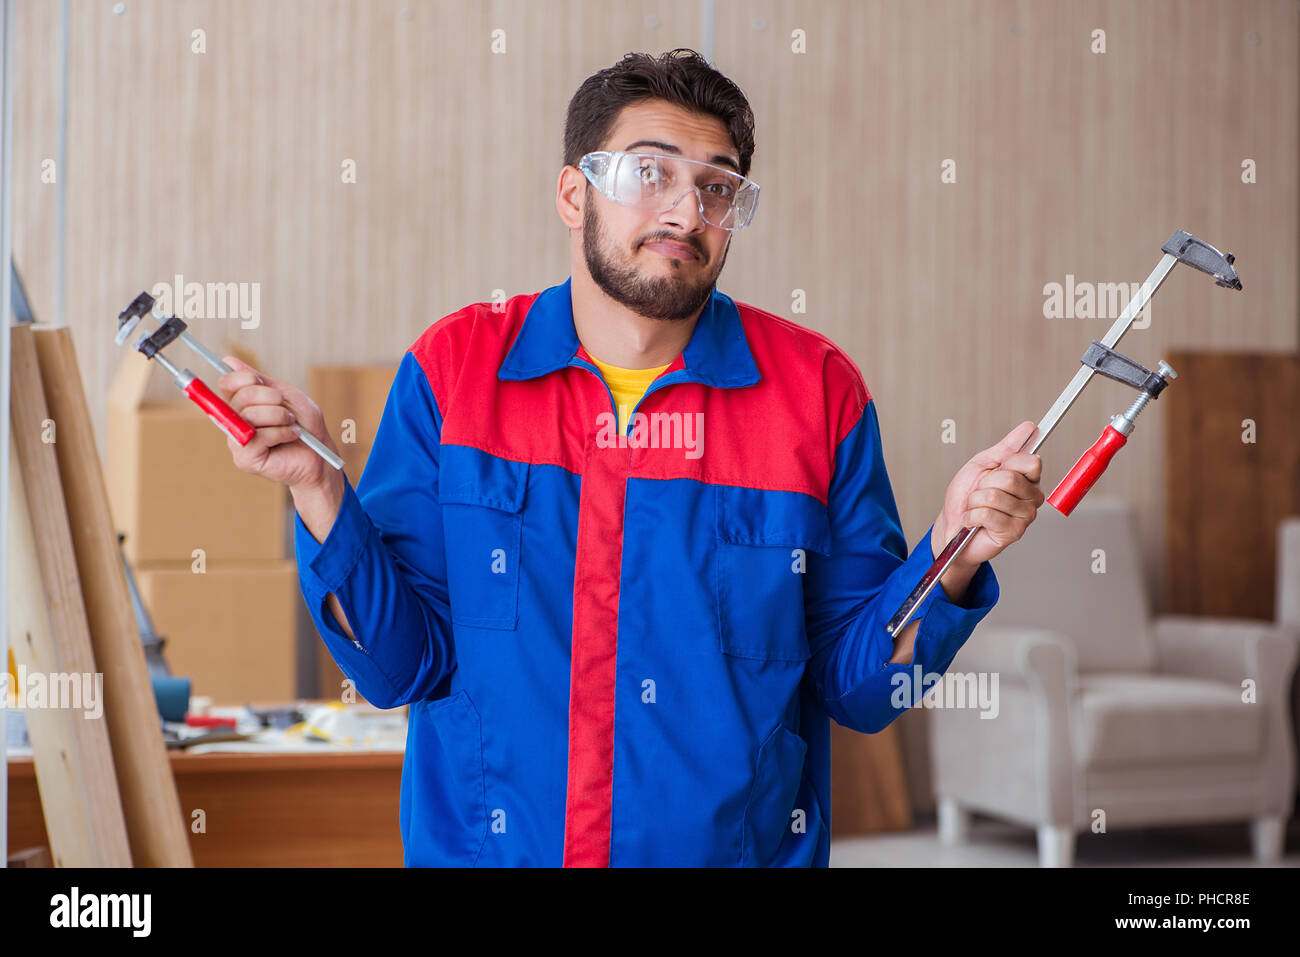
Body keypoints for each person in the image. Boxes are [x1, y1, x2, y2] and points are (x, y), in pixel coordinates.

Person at [218, 48, 1044, 867]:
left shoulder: (816, 394)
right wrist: (322, 489)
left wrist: (954, 551)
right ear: (575, 195)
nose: (687, 212)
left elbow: (859, 691)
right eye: (651, 173)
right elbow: (404, 666)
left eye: (716, 188)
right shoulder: (455, 372)